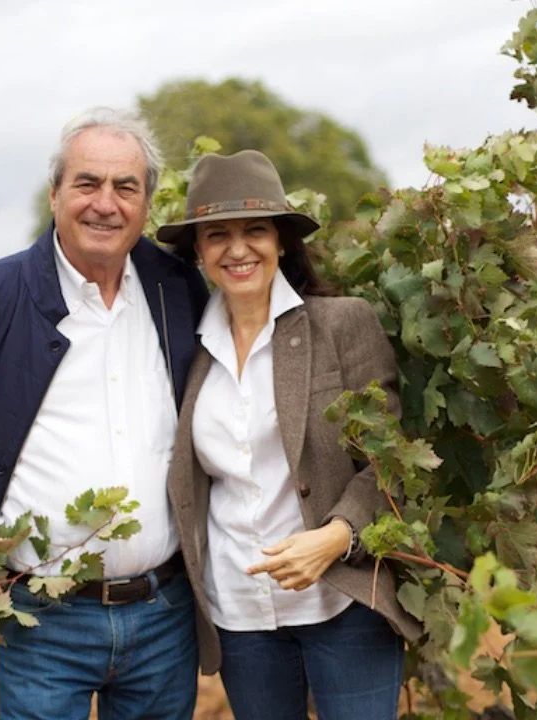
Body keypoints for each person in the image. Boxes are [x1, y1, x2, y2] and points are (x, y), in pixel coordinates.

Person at [0, 107, 209, 720]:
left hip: (165, 616)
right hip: (41, 621)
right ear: (55, 194)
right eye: (87, 183)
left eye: (126, 187)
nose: (105, 204)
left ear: (147, 203)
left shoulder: (179, 290)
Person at [158, 150, 423, 720]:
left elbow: (392, 458)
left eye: (255, 230)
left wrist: (338, 535)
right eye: (217, 235)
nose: (237, 249)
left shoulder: (341, 324)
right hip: (240, 615)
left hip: (342, 601)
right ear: (199, 251)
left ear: (282, 241)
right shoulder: (188, 349)